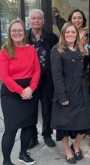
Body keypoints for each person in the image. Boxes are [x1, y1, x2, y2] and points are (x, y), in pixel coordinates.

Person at [0, 19, 40, 165]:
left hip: (30, 91)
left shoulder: (31, 49)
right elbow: (4, 76)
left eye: (20, 30)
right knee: (11, 128)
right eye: (14, 30)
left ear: (24, 32)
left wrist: (31, 88)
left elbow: (36, 70)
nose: (17, 33)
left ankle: (23, 154)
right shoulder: (5, 51)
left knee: (29, 125)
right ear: (10, 33)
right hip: (11, 94)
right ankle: (6, 160)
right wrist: (21, 91)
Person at [50, 22, 90, 164]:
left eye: (72, 32)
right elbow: (57, 75)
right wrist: (62, 95)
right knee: (64, 123)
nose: (70, 35)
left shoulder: (80, 49)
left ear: (76, 34)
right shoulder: (57, 50)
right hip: (66, 89)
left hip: (80, 88)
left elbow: (84, 67)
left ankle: (76, 145)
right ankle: (67, 150)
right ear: (63, 34)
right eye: (67, 32)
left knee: (84, 121)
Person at [27, 9, 59, 149]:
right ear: (29, 20)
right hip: (28, 80)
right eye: (33, 18)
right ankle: (32, 137)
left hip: (46, 79)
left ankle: (47, 135)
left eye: (39, 18)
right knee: (30, 109)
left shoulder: (52, 38)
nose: (36, 21)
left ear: (44, 21)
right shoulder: (24, 38)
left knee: (47, 108)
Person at [68, 9, 90, 85]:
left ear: (83, 20)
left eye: (79, 18)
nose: (77, 20)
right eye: (74, 18)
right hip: (69, 72)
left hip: (85, 73)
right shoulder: (66, 35)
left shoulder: (88, 36)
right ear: (70, 20)